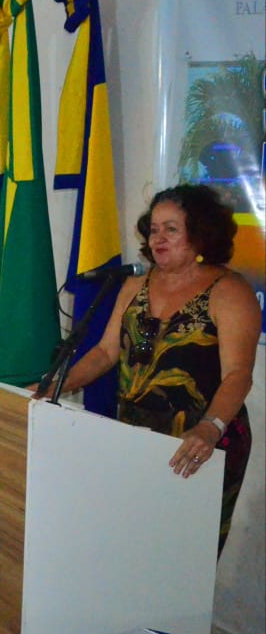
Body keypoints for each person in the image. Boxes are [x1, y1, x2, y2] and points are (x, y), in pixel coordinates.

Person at [35, 185, 259, 554]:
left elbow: (238, 375)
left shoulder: (230, 291)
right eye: (154, 229)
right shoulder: (135, 284)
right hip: (138, 438)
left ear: (200, 233)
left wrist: (209, 427)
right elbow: (105, 352)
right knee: (137, 547)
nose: (158, 238)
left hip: (200, 444)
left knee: (187, 554)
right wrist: (53, 386)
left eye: (171, 229)